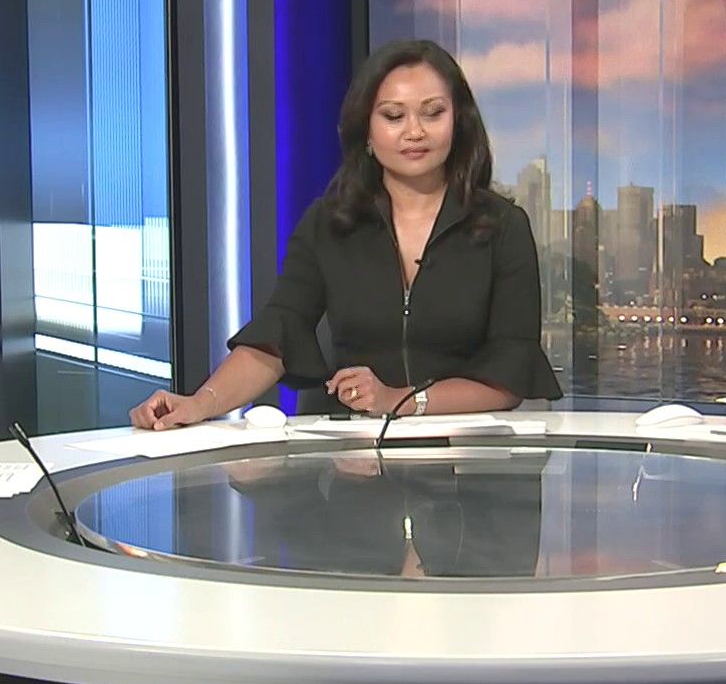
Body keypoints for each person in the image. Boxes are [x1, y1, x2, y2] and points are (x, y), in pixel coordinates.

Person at [130, 39, 561, 429]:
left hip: (470, 463)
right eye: (393, 116)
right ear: (367, 130)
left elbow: (510, 373)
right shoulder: (331, 223)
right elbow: (279, 334)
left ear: (459, 122)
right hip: (357, 462)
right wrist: (199, 403)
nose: (415, 131)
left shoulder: (502, 226)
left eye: (433, 113)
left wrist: (400, 401)